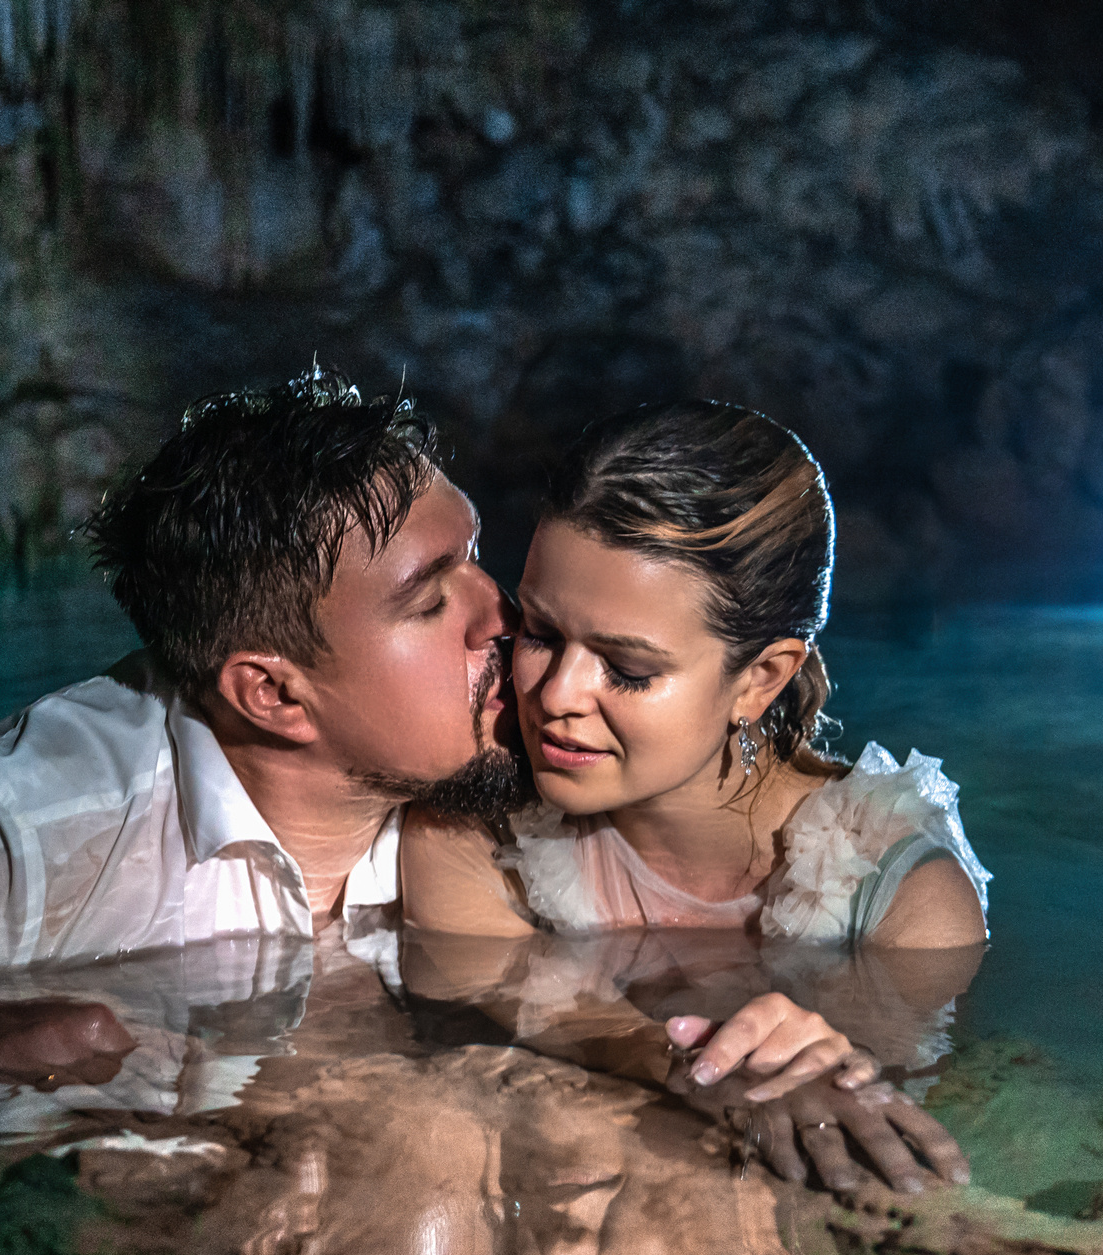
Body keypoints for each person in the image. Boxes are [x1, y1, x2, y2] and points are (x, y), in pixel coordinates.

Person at [0, 369, 839, 1098]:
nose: (509, 619)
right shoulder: (33, 826)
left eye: (477, 557)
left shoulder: (540, 743)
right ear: (273, 694)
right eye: (434, 599)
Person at [402, 400, 991, 1193]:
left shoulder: (898, 897)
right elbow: (483, 984)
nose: (555, 693)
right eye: (540, 632)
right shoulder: (472, 823)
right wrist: (686, 1060)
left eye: (628, 669)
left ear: (761, 678)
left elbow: (890, 1109)